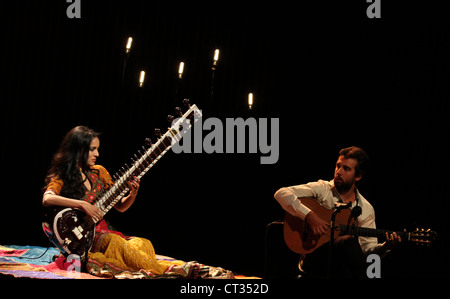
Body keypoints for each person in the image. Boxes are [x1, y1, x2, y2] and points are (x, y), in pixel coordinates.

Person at [42, 126, 180, 276]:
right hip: (86, 237)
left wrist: (132, 194)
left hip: (103, 230)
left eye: (97, 149)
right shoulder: (63, 175)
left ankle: (153, 268)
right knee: (116, 243)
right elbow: (48, 198)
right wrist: (82, 205)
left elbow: (120, 207)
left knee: (144, 243)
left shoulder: (100, 172)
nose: (97, 154)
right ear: (79, 150)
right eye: (92, 149)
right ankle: (163, 271)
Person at [274, 146, 401, 278]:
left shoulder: (366, 208)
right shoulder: (323, 189)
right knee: (347, 242)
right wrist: (309, 215)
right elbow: (281, 193)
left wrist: (386, 246)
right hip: (313, 256)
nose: (339, 172)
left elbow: (367, 252)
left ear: (358, 176)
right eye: (338, 166)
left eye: (346, 169)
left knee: (348, 258)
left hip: (342, 265)